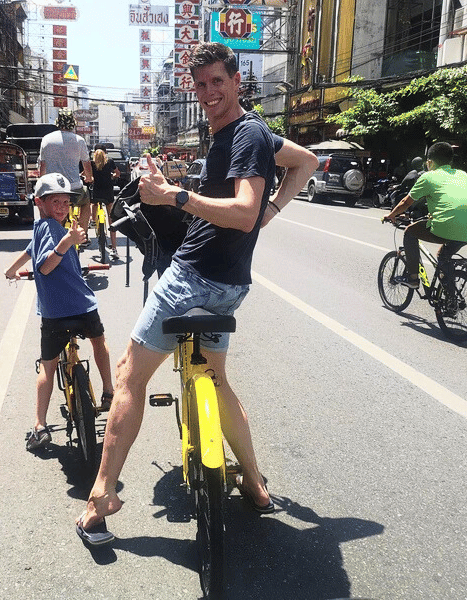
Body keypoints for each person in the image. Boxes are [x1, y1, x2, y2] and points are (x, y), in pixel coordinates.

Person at [74, 41, 319, 546]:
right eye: (201, 84)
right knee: (218, 380)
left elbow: (244, 209)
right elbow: (308, 162)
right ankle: (253, 484)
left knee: (128, 376)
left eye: (217, 82)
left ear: (236, 80)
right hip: (231, 287)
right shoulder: (252, 134)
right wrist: (267, 211)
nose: (209, 92)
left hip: (191, 279)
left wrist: (174, 196)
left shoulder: (245, 133)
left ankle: (102, 495)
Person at [4, 173, 115, 451]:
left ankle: (40, 425)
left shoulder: (45, 227)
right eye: (56, 202)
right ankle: (108, 392)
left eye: (66, 202)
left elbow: (37, 261)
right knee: (99, 342)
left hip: (54, 314)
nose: (63, 207)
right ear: (40, 202)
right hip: (84, 306)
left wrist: (12, 270)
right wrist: (67, 241)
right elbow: (41, 262)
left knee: (48, 365)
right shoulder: (52, 229)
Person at [383, 142, 467, 290]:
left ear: (430, 162)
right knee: (443, 257)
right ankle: (448, 293)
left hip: (445, 225)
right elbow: (450, 198)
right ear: (450, 161)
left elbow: (405, 202)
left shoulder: (428, 177)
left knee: (410, 232)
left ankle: (412, 278)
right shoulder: (462, 175)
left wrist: (391, 215)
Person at [39, 111, 93, 241]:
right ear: (73, 124)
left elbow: (42, 165)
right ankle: (82, 235)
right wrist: (89, 177)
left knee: (48, 212)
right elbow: (87, 164)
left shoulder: (46, 139)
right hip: (74, 189)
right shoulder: (79, 140)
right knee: (86, 203)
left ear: (58, 123)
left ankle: (51, 236)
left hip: (53, 189)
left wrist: (42, 180)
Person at [91, 147, 121, 260]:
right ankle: (114, 249)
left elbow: (87, 176)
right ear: (106, 153)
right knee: (111, 219)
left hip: (97, 192)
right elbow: (117, 173)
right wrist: (112, 176)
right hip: (108, 193)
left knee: (93, 204)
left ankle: (93, 221)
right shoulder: (110, 161)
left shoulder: (91, 163)